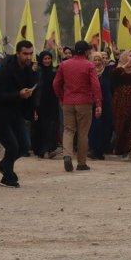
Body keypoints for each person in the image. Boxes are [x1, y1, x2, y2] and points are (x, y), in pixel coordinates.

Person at [0, 41, 36, 188]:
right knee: (13, 146)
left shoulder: (28, 70)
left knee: (24, 146)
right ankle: (8, 178)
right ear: (18, 54)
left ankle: (4, 165)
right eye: (25, 54)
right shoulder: (4, 70)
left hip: (16, 113)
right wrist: (18, 94)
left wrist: (32, 106)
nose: (28, 57)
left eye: (30, 53)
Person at [53, 41, 103, 173]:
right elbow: (95, 85)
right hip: (85, 102)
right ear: (86, 52)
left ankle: (67, 155)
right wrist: (98, 103)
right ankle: (81, 163)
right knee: (83, 132)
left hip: (68, 101)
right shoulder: (89, 65)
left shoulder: (64, 64)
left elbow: (56, 83)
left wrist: (61, 97)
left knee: (68, 130)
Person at [31, 51, 60, 159]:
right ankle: (41, 150)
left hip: (52, 102)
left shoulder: (54, 71)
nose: (47, 61)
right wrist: (32, 72)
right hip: (40, 103)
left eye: (49, 58)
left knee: (52, 126)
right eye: (45, 59)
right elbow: (31, 85)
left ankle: (50, 148)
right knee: (41, 126)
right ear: (41, 60)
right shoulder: (37, 71)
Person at [88, 52, 114, 160]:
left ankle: (102, 149)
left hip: (106, 103)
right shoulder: (89, 72)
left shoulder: (108, 72)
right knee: (95, 126)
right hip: (93, 103)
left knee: (106, 126)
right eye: (95, 60)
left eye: (100, 60)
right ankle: (94, 149)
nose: (98, 62)